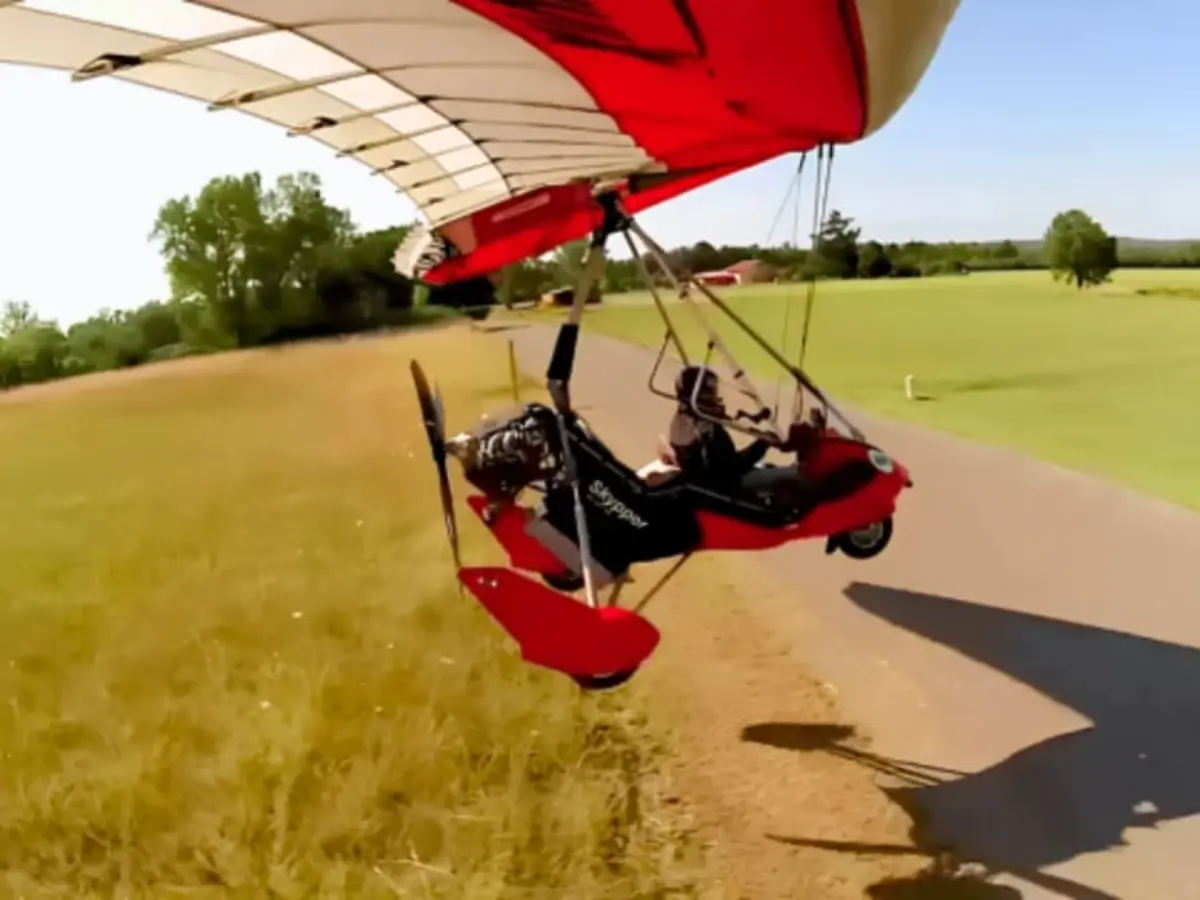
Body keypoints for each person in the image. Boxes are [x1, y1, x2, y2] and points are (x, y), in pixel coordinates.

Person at [659, 365, 773, 488]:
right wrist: (762, 444)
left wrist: (752, 418)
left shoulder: (685, 421)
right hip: (722, 492)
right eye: (712, 392)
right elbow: (732, 470)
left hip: (703, 484)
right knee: (787, 478)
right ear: (700, 395)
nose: (716, 397)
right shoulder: (708, 433)